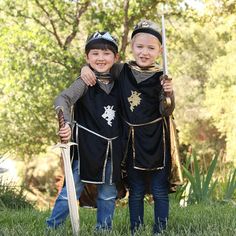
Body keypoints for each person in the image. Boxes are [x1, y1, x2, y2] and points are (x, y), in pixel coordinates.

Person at [80, 20, 183, 235]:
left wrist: (169, 93)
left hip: (157, 141)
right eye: (140, 47)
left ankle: (160, 230)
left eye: (151, 48)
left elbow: (167, 111)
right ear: (131, 47)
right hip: (130, 141)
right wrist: (84, 68)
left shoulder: (162, 77)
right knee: (135, 190)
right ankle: (136, 229)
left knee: (159, 189)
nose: (145, 52)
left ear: (160, 50)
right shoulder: (121, 70)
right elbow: (100, 67)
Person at [46, 31, 124, 232]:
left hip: (112, 149)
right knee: (71, 191)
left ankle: (104, 229)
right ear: (87, 57)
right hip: (87, 147)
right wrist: (67, 124)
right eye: (95, 53)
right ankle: (52, 227)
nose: (100, 58)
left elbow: (136, 69)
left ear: (115, 57)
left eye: (106, 53)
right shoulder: (85, 81)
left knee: (107, 193)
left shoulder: (122, 80)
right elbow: (62, 99)